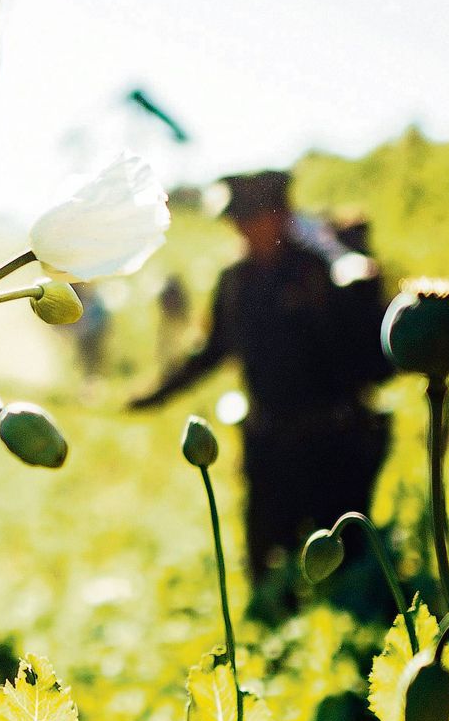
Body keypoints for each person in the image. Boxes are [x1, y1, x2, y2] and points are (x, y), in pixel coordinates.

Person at [130, 170, 393, 602]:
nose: (243, 230)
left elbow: (374, 351)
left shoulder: (327, 269)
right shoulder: (236, 282)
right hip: (271, 448)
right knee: (267, 570)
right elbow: (213, 351)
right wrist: (155, 394)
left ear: (281, 217)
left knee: (347, 567)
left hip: (336, 445)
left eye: (252, 218)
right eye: (238, 221)